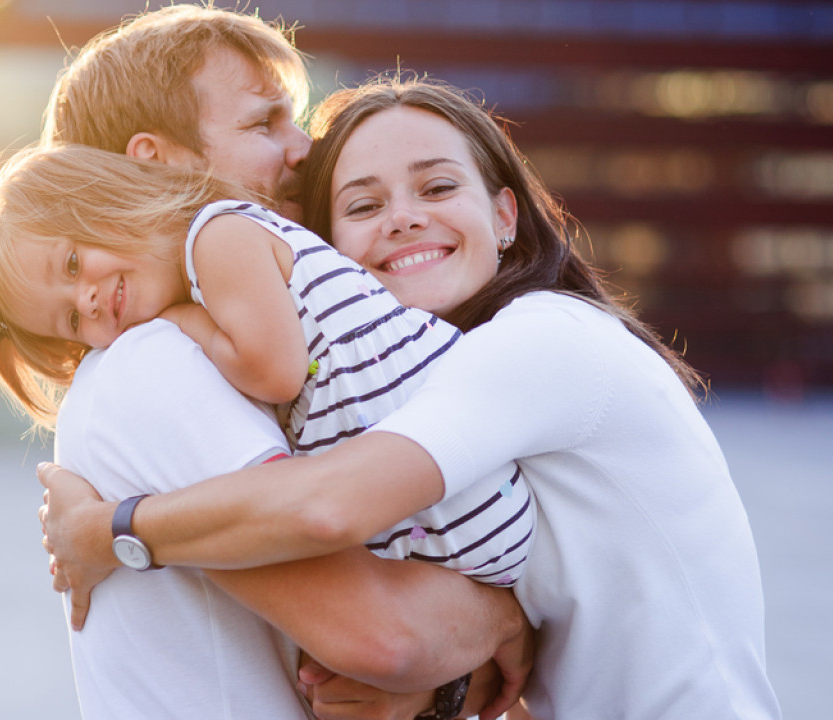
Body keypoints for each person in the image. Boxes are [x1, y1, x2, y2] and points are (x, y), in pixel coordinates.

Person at [40, 78, 784, 719]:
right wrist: (460, 668)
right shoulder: (418, 378)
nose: (402, 217)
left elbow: (329, 507)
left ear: (504, 215)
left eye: (436, 188)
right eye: (362, 206)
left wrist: (109, 533)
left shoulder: (544, 340)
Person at [0, 5, 534, 719]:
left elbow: (385, 651)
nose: (303, 149)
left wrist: (456, 669)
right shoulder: (159, 365)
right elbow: (386, 634)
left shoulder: (240, 319)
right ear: (158, 160)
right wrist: (505, 621)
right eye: (265, 124)